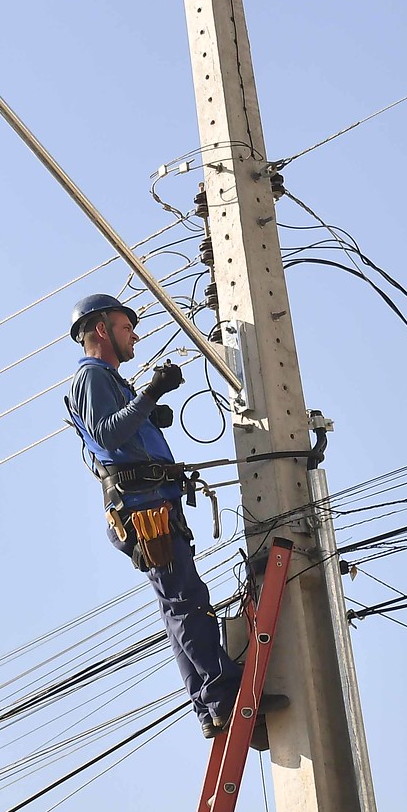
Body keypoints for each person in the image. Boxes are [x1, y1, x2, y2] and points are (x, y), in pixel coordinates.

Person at [63, 293, 246, 737]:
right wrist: (150, 393)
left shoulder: (110, 382)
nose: (135, 336)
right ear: (102, 329)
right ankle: (223, 697)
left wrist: (147, 410)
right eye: (127, 327)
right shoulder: (92, 377)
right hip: (143, 507)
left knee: (178, 604)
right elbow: (107, 435)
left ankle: (211, 706)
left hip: (152, 503)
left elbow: (121, 429)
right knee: (185, 601)